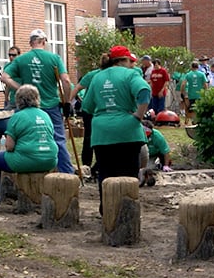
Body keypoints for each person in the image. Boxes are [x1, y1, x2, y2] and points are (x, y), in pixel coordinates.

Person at [81, 45, 150, 212]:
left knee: (105, 172)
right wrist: (138, 115)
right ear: (124, 60)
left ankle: (107, 209)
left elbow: (87, 106)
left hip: (102, 132)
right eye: (130, 61)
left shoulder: (97, 77)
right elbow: (144, 91)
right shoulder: (130, 74)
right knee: (128, 174)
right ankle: (127, 210)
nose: (132, 65)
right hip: (128, 130)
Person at [1, 29, 74, 174]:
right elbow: (65, 80)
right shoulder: (54, 58)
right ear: (44, 41)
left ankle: (23, 170)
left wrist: (22, 88)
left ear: (30, 43)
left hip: (28, 108)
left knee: (24, 137)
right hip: (51, 105)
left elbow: (4, 77)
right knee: (58, 140)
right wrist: (66, 101)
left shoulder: (21, 59)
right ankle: (67, 175)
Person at [0, 84, 57, 211]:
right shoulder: (45, 115)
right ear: (37, 99)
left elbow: (9, 147)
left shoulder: (17, 117)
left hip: (27, 160)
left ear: (18, 100)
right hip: (50, 159)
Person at [70, 53, 109, 174]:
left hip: (92, 109)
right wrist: (68, 103)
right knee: (96, 138)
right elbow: (77, 88)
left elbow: (76, 88)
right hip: (96, 109)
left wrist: (68, 102)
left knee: (90, 137)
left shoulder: (93, 74)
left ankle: (91, 165)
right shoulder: (95, 75)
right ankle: (93, 165)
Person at [138, 119, 173, 187]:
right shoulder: (136, 135)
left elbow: (166, 151)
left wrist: (166, 165)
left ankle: (159, 164)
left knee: (150, 167)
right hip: (142, 154)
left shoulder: (157, 136)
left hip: (155, 154)